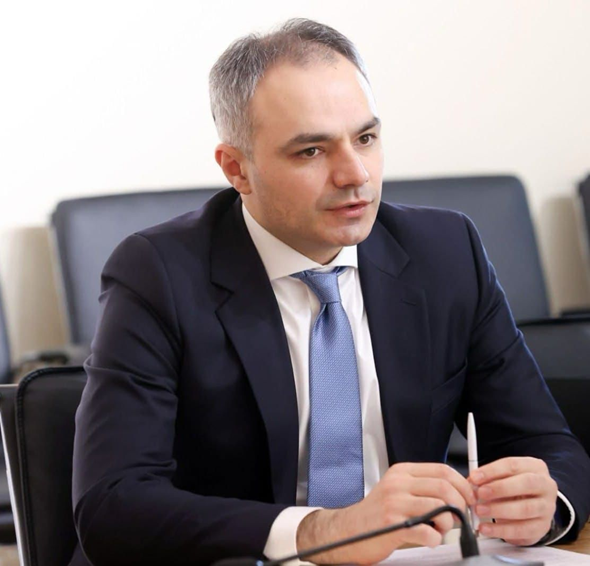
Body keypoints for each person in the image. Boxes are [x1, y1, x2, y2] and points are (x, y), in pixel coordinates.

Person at [70, 19, 590, 566]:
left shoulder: (445, 252)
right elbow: (112, 506)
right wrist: (326, 531)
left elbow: (551, 446)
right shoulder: (157, 273)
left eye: (366, 138)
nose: (355, 174)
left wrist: (546, 504)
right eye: (311, 151)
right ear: (237, 169)